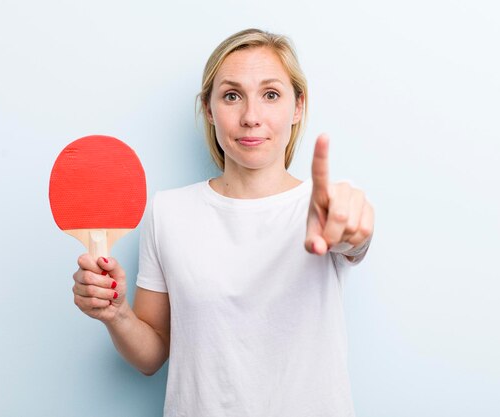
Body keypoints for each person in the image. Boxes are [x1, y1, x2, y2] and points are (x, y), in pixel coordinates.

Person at [72, 28, 374, 416]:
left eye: (271, 95)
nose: (251, 117)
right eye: (232, 96)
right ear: (210, 110)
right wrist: (116, 314)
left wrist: (353, 230)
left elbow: (353, 236)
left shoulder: (325, 207)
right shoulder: (169, 212)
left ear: (298, 107)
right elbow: (150, 356)